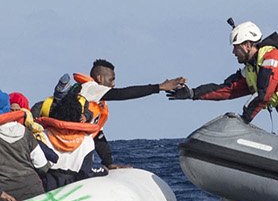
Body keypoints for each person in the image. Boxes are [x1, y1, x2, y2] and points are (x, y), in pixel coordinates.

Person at [176, 20, 278, 146]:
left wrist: (243, 120)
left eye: (236, 47)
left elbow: (264, 94)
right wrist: (192, 93)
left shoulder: (272, 59)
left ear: (247, 45)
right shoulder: (252, 69)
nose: (233, 52)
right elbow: (228, 89)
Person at [58, 60, 187, 170]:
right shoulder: (90, 88)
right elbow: (123, 93)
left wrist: (108, 163)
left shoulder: (94, 100)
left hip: (68, 151)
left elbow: (97, 135)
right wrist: (159, 87)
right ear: (99, 78)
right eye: (111, 79)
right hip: (63, 151)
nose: (114, 84)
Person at [0, 89, 47, 200]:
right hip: (33, 192)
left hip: (2, 197)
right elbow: (42, 166)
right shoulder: (25, 131)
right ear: (7, 108)